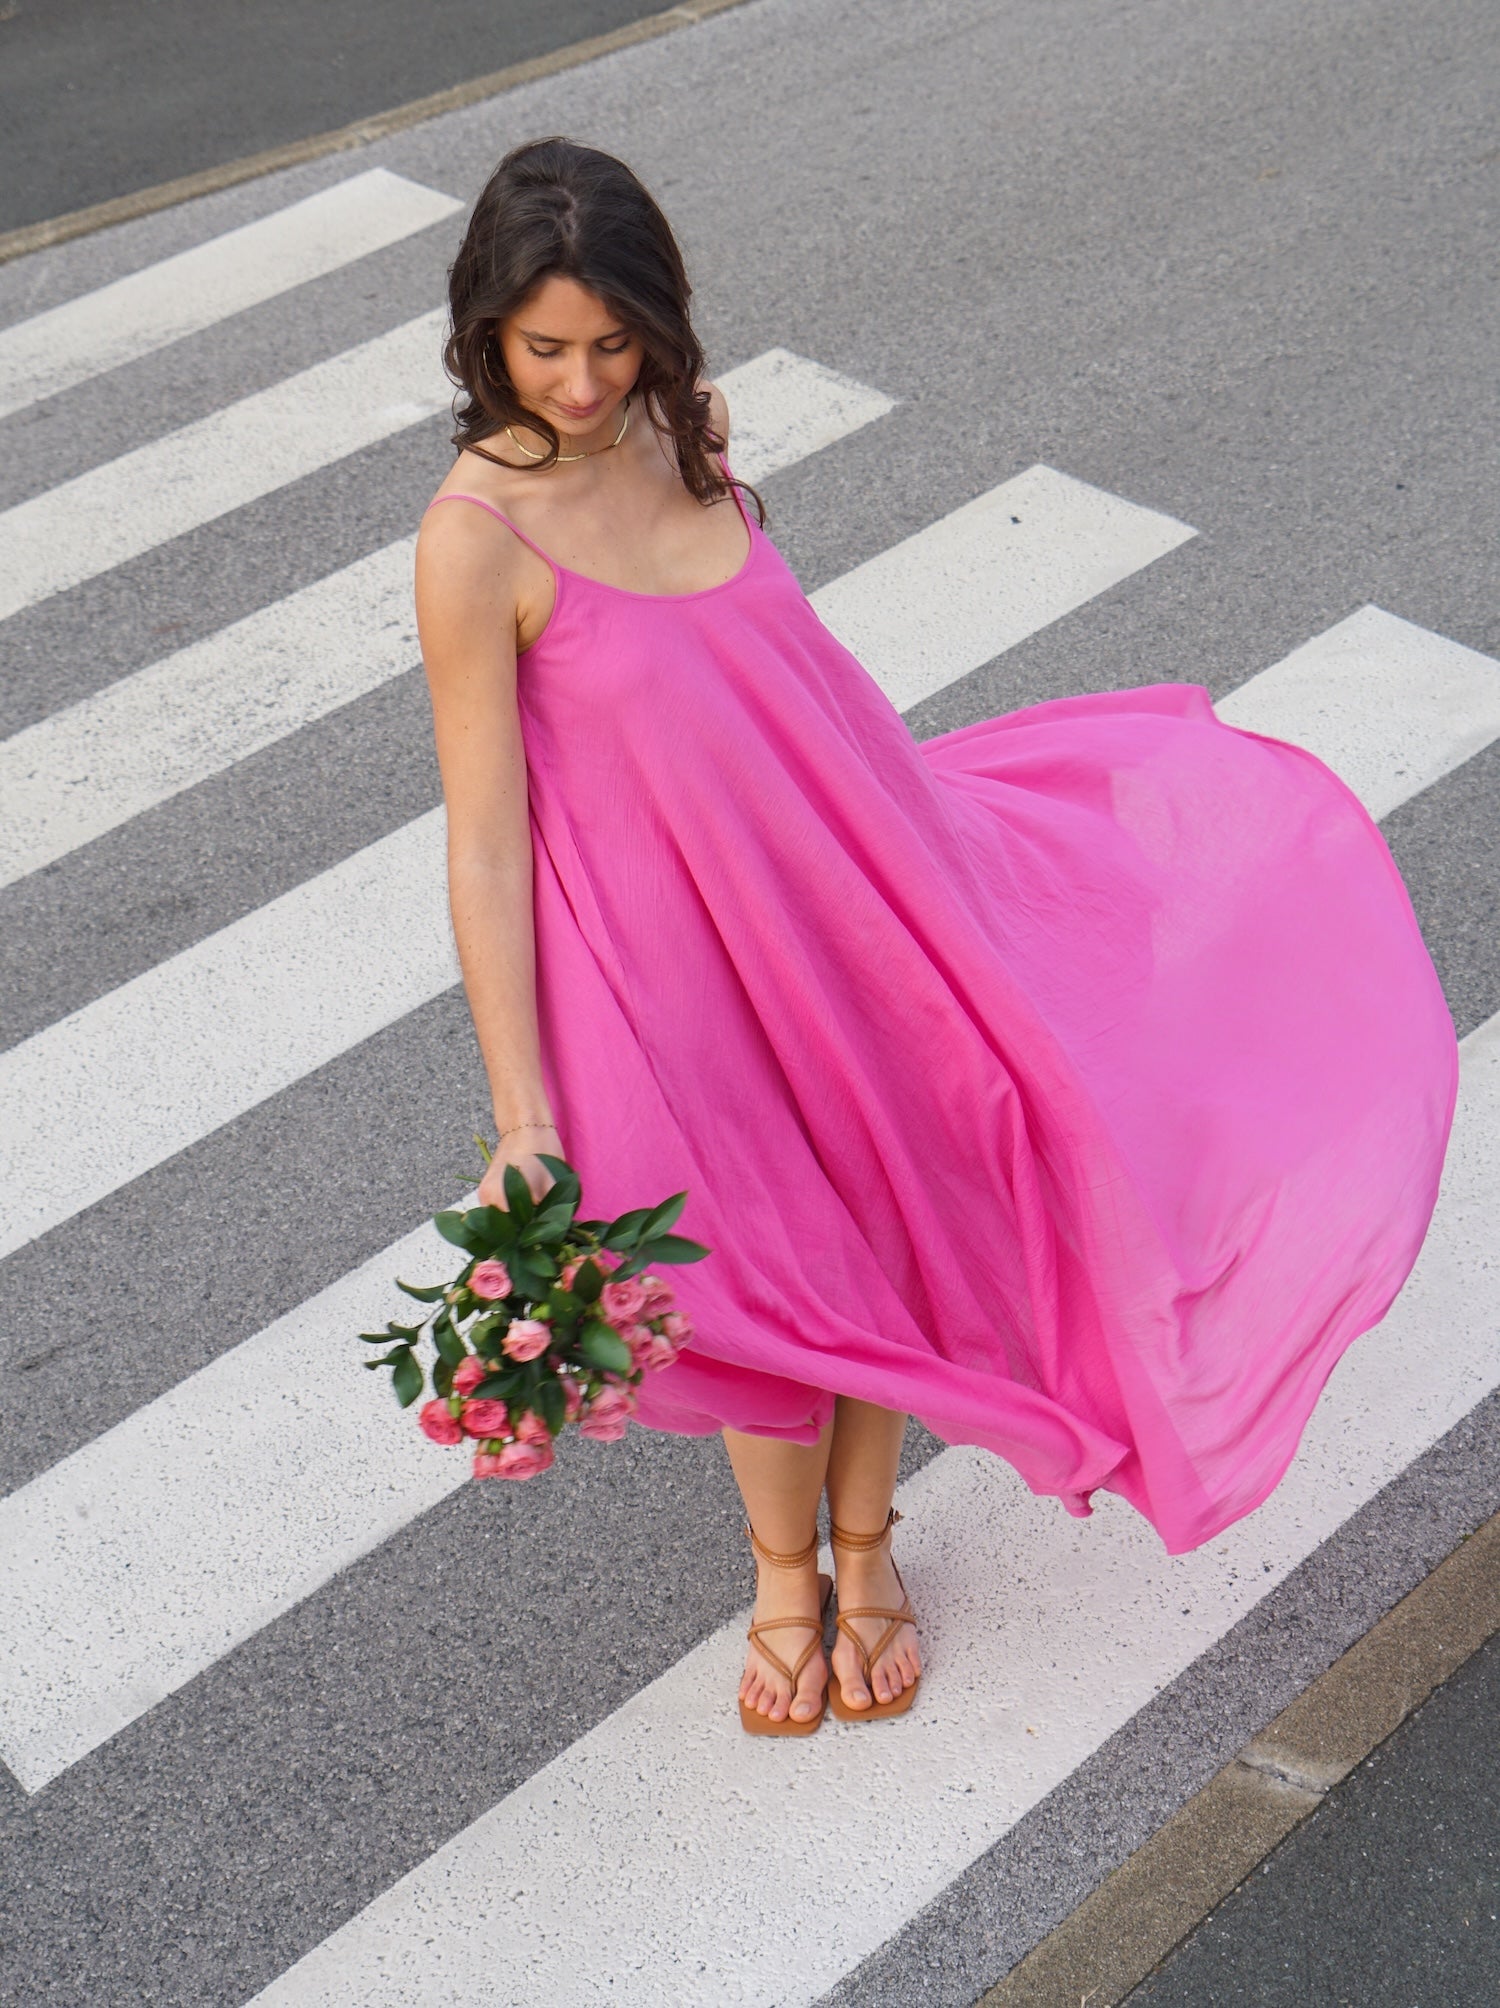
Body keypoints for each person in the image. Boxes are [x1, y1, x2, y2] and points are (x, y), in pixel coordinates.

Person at [414, 136, 1458, 1737]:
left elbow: (779, 677)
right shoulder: (475, 538)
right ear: (485, 327)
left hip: (852, 889)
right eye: (544, 346)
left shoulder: (686, 434)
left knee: (891, 1201)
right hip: (660, 966)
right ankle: (783, 1580)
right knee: (750, 1267)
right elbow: (484, 844)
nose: (577, 379)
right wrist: (521, 1115)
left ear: (658, 327)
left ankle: (866, 1546)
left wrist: (915, 874)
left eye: (610, 342)